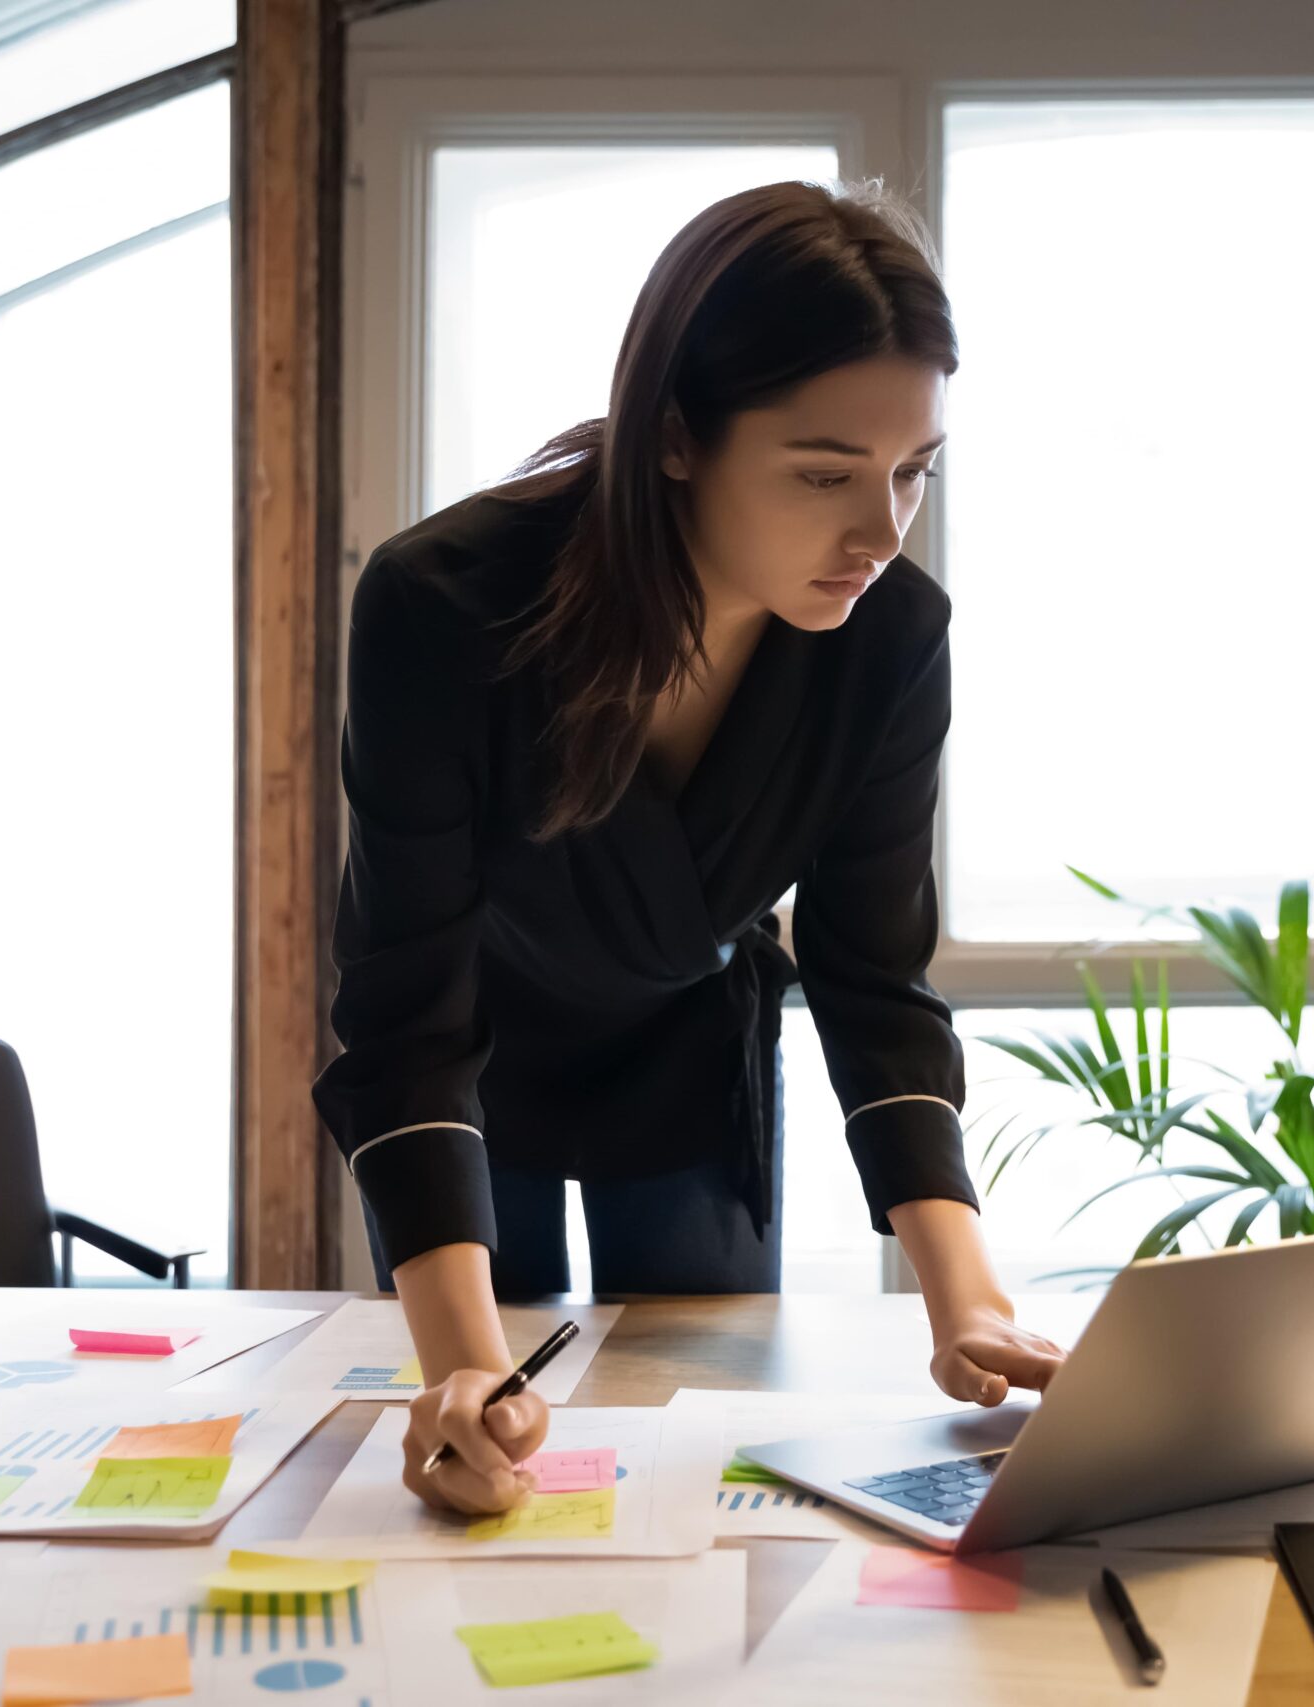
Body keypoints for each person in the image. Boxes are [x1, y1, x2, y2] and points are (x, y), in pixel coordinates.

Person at [312, 179, 1065, 1518]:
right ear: (674, 439)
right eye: (826, 473)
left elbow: (873, 974)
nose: (882, 532)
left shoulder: (893, 641)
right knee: (491, 1437)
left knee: (700, 1446)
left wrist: (972, 1303)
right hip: (469, 1062)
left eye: (914, 471)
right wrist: (466, 1393)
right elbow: (405, 1010)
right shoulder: (444, 605)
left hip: (687, 1048)